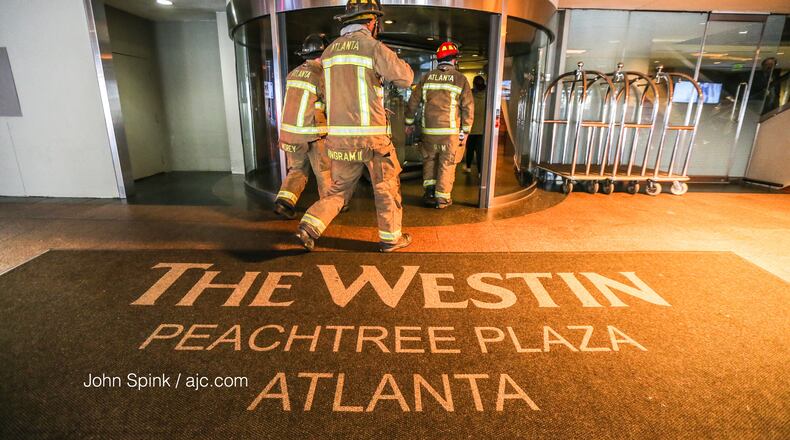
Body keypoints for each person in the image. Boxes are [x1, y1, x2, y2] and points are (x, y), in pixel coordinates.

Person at [296, 0, 415, 252]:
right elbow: (406, 78)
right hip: (372, 140)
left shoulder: (328, 53)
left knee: (338, 190)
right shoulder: (372, 46)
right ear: (372, 22)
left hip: (339, 140)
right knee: (385, 187)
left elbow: (334, 94)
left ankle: (309, 226)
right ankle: (391, 238)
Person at [405, 41, 474, 208]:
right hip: (449, 133)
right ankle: (441, 199)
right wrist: (465, 131)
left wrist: (408, 123)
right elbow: (468, 107)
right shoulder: (460, 79)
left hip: (429, 131)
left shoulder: (426, 77)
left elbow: (413, 102)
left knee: (429, 160)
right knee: (446, 163)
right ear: (453, 60)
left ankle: (429, 193)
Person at [273, 34, 332, 219]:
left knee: (297, 170)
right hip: (313, 133)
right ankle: (330, 208)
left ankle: (284, 202)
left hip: (290, 134)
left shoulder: (293, 73)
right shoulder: (320, 75)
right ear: (321, 55)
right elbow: (331, 103)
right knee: (324, 171)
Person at [464, 75, 487, 176]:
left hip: (471, 127)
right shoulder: (488, 95)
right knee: (480, 152)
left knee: (470, 149)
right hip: (483, 129)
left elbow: (466, 109)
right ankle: (480, 172)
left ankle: (468, 167)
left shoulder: (470, 95)